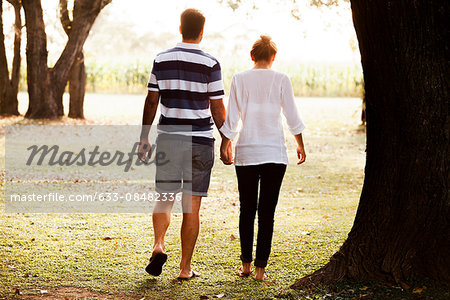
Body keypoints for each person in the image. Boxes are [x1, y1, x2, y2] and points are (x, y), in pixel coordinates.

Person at [138, 8, 227, 280]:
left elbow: (152, 101)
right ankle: (185, 269)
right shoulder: (211, 63)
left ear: (180, 28)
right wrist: (227, 138)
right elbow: (217, 106)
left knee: (164, 199)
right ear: (202, 31)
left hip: (168, 140)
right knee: (192, 207)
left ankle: (158, 245)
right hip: (200, 141)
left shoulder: (161, 60)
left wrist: (143, 137)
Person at [219, 35, 306, 281]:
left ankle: (245, 265)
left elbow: (232, 118)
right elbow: (292, 115)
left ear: (252, 56)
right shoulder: (281, 79)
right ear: (273, 57)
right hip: (274, 154)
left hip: (246, 152)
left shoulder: (239, 78)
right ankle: (260, 271)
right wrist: (300, 144)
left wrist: (226, 143)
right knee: (267, 212)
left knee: (247, 210)